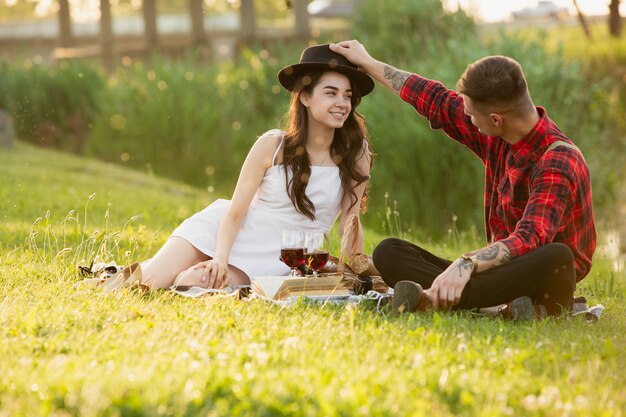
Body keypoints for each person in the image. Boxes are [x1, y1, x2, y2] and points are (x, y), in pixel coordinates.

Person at [329, 40, 596, 318]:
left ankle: (437, 299)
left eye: (471, 114)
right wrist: (369, 63)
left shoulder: (557, 161)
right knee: (389, 252)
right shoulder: (499, 134)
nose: (467, 117)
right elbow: (435, 100)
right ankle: (492, 308)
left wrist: (465, 264)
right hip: (495, 277)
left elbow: (530, 238)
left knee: (557, 255)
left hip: (539, 278)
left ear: (495, 119)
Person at [136, 44, 375, 290]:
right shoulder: (272, 145)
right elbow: (236, 211)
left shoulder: (356, 153)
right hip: (224, 233)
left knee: (189, 284)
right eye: (331, 93)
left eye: (347, 95)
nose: (342, 103)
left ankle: (185, 274)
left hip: (285, 259)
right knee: (146, 283)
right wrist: (219, 257)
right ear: (305, 97)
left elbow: (351, 220)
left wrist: (355, 274)